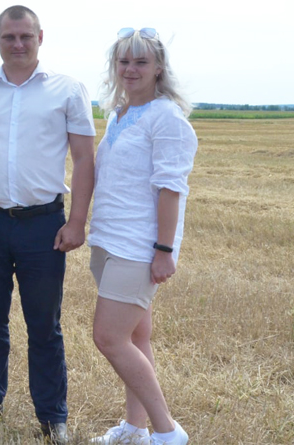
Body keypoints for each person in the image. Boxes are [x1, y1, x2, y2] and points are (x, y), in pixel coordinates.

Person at [0, 6, 95, 443]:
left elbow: (85, 158)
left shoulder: (68, 90)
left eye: (26, 36)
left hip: (43, 225)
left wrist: (78, 220)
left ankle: (52, 417)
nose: (18, 44)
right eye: (9, 37)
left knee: (44, 325)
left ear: (41, 37)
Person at [88, 28, 196, 445]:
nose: (131, 70)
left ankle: (168, 433)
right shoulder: (118, 113)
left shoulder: (167, 118)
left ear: (158, 68)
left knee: (109, 337)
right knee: (135, 337)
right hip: (107, 242)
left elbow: (171, 188)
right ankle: (134, 429)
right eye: (124, 61)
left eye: (141, 62)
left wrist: (164, 250)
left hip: (138, 248)